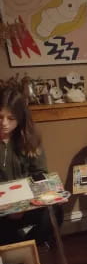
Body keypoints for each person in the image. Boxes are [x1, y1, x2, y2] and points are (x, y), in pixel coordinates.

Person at [0, 86, 62, 246]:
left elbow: (40, 174)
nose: (4, 123)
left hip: (27, 206)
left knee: (55, 211)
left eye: (11, 118)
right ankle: (15, 249)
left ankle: (25, 246)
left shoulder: (29, 139)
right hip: (1, 210)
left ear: (20, 118)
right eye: (0, 117)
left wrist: (24, 206)